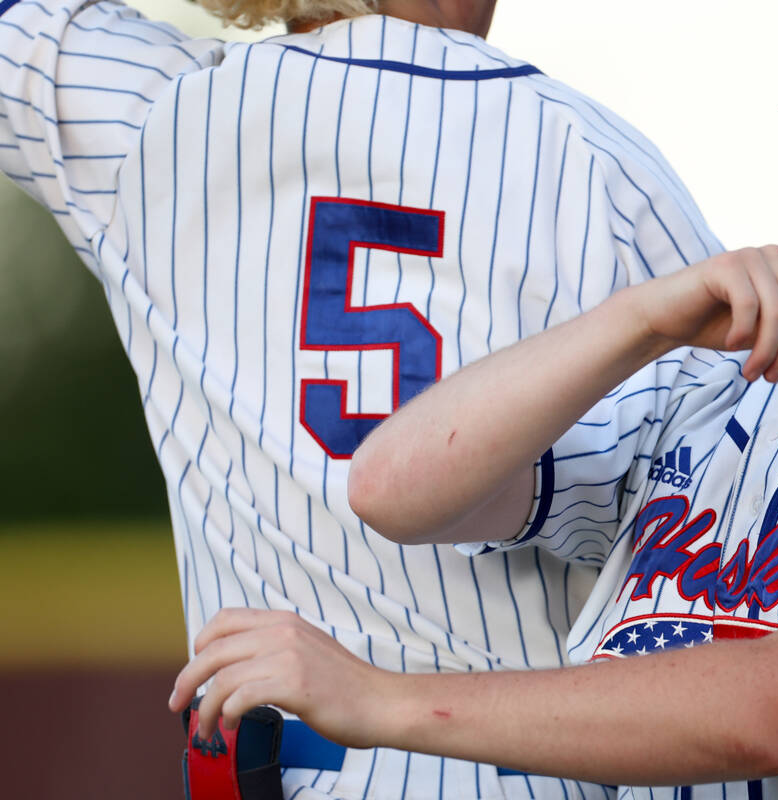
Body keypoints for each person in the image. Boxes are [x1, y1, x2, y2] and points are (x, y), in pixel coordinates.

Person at [171, 6, 778, 799]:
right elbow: (395, 487)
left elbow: (775, 710)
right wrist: (647, 314)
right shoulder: (698, 383)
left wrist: (378, 700)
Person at [0, 0, 721, 796]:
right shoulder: (599, 166)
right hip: (530, 769)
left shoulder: (157, 112)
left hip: (272, 768)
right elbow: (752, 511)